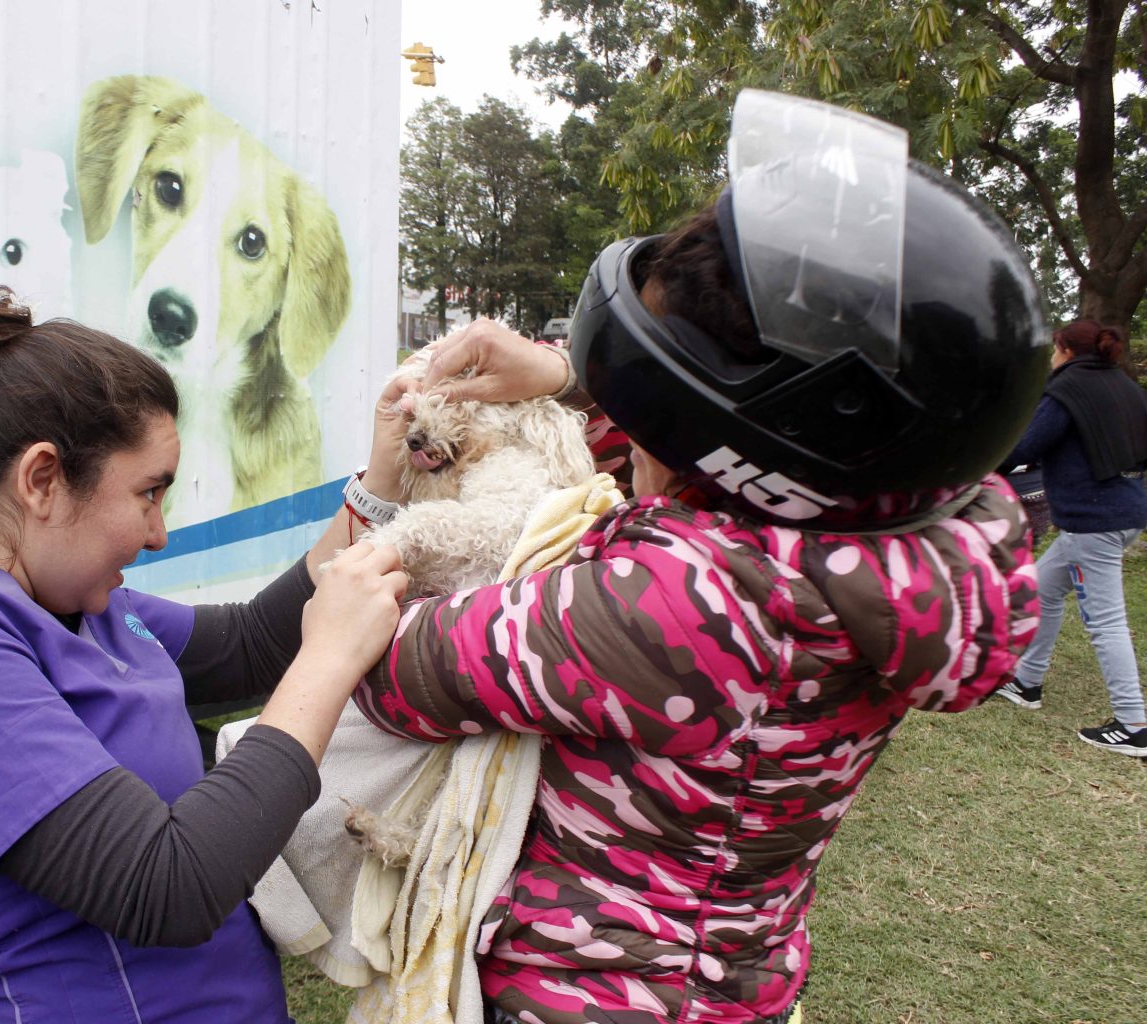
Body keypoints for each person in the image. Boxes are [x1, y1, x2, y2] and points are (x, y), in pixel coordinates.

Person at [349, 91, 1051, 1024]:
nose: (637, 418)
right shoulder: (896, 548)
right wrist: (571, 375)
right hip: (730, 976)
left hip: (587, 997)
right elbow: (737, 465)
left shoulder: (681, 608)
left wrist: (375, 497)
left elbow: (391, 670)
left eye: (659, 387)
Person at [0, 286, 412, 1022]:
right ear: (42, 480)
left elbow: (254, 643)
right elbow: (167, 887)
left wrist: (382, 485)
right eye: (148, 493)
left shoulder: (76, 607)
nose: (158, 533)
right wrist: (329, 661)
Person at [991, 319, 1147, 755]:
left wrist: (980, 465)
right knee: (1043, 589)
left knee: (1105, 621)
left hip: (1093, 521)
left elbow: (1024, 446)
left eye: (1055, 349)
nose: (1052, 357)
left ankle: (1133, 723)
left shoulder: (1068, 388)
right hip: (1127, 511)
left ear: (1066, 350)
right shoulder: (1126, 388)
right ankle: (1026, 682)